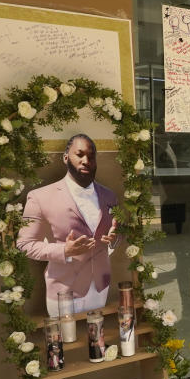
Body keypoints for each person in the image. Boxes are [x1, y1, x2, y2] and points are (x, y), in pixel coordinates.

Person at [17, 134, 119, 316]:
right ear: (66, 158)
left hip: (100, 287)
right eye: (79, 155)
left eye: (91, 156)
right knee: (64, 343)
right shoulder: (40, 197)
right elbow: (25, 245)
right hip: (63, 290)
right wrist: (64, 251)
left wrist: (114, 240)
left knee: (98, 341)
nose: (86, 161)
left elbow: (116, 234)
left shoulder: (109, 196)